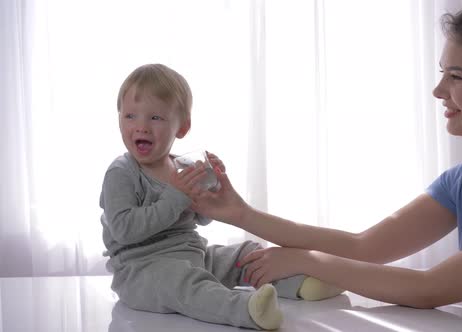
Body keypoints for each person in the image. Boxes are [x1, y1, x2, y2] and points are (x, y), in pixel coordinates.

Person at [189, 1, 462, 331]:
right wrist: (240, 213)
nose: (439, 91)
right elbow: (366, 246)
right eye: (441, 74)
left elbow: (431, 287)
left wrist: (303, 260)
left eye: (456, 76)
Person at [99, 63, 342, 331]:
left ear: (182, 127)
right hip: (142, 272)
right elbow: (123, 230)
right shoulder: (122, 172)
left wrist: (211, 185)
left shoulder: (181, 166)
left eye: (155, 118)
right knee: (182, 283)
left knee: (245, 253)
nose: (141, 127)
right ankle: (247, 309)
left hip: (193, 254)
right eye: (130, 116)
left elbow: (201, 219)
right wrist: (175, 197)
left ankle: (301, 284)